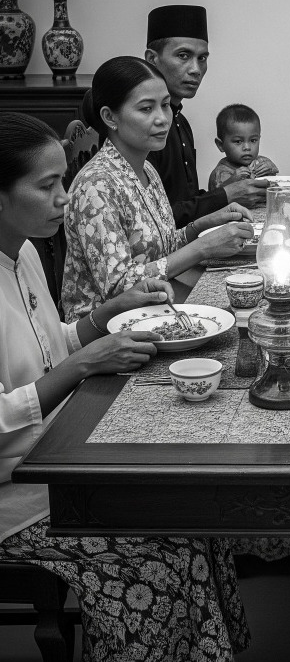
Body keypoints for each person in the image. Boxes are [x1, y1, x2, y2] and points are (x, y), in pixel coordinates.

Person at [0, 113, 250, 661]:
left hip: (60, 449)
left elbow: (51, 343)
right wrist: (84, 364)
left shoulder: (20, 252)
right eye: (48, 185)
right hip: (17, 491)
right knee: (158, 556)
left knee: (190, 512)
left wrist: (102, 318)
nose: (65, 197)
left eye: (62, 180)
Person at [61, 56, 255, 322]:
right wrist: (203, 247)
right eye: (145, 109)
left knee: (249, 298)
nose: (163, 119)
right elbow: (119, 286)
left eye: (165, 105)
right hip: (109, 330)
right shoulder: (96, 186)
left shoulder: (146, 168)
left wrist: (203, 225)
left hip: (156, 307)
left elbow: (161, 246)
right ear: (110, 117)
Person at [144, 4, 269, 224]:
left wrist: (227, 191)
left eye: (202, 58)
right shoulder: (145, 128)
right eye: (183, 56)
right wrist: (225, 195)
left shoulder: (181, 122)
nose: (195, 69)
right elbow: (155, 220)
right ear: (152, 59)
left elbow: (187, 201)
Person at [209, 103, 280, 190]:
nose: (247, 147)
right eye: (238, 141)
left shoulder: (261, 161)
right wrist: (233, 180)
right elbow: (215, 197)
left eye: (253, 140)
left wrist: (270, 168)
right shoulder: (221, 172)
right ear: (220, 145)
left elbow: (276, 176)